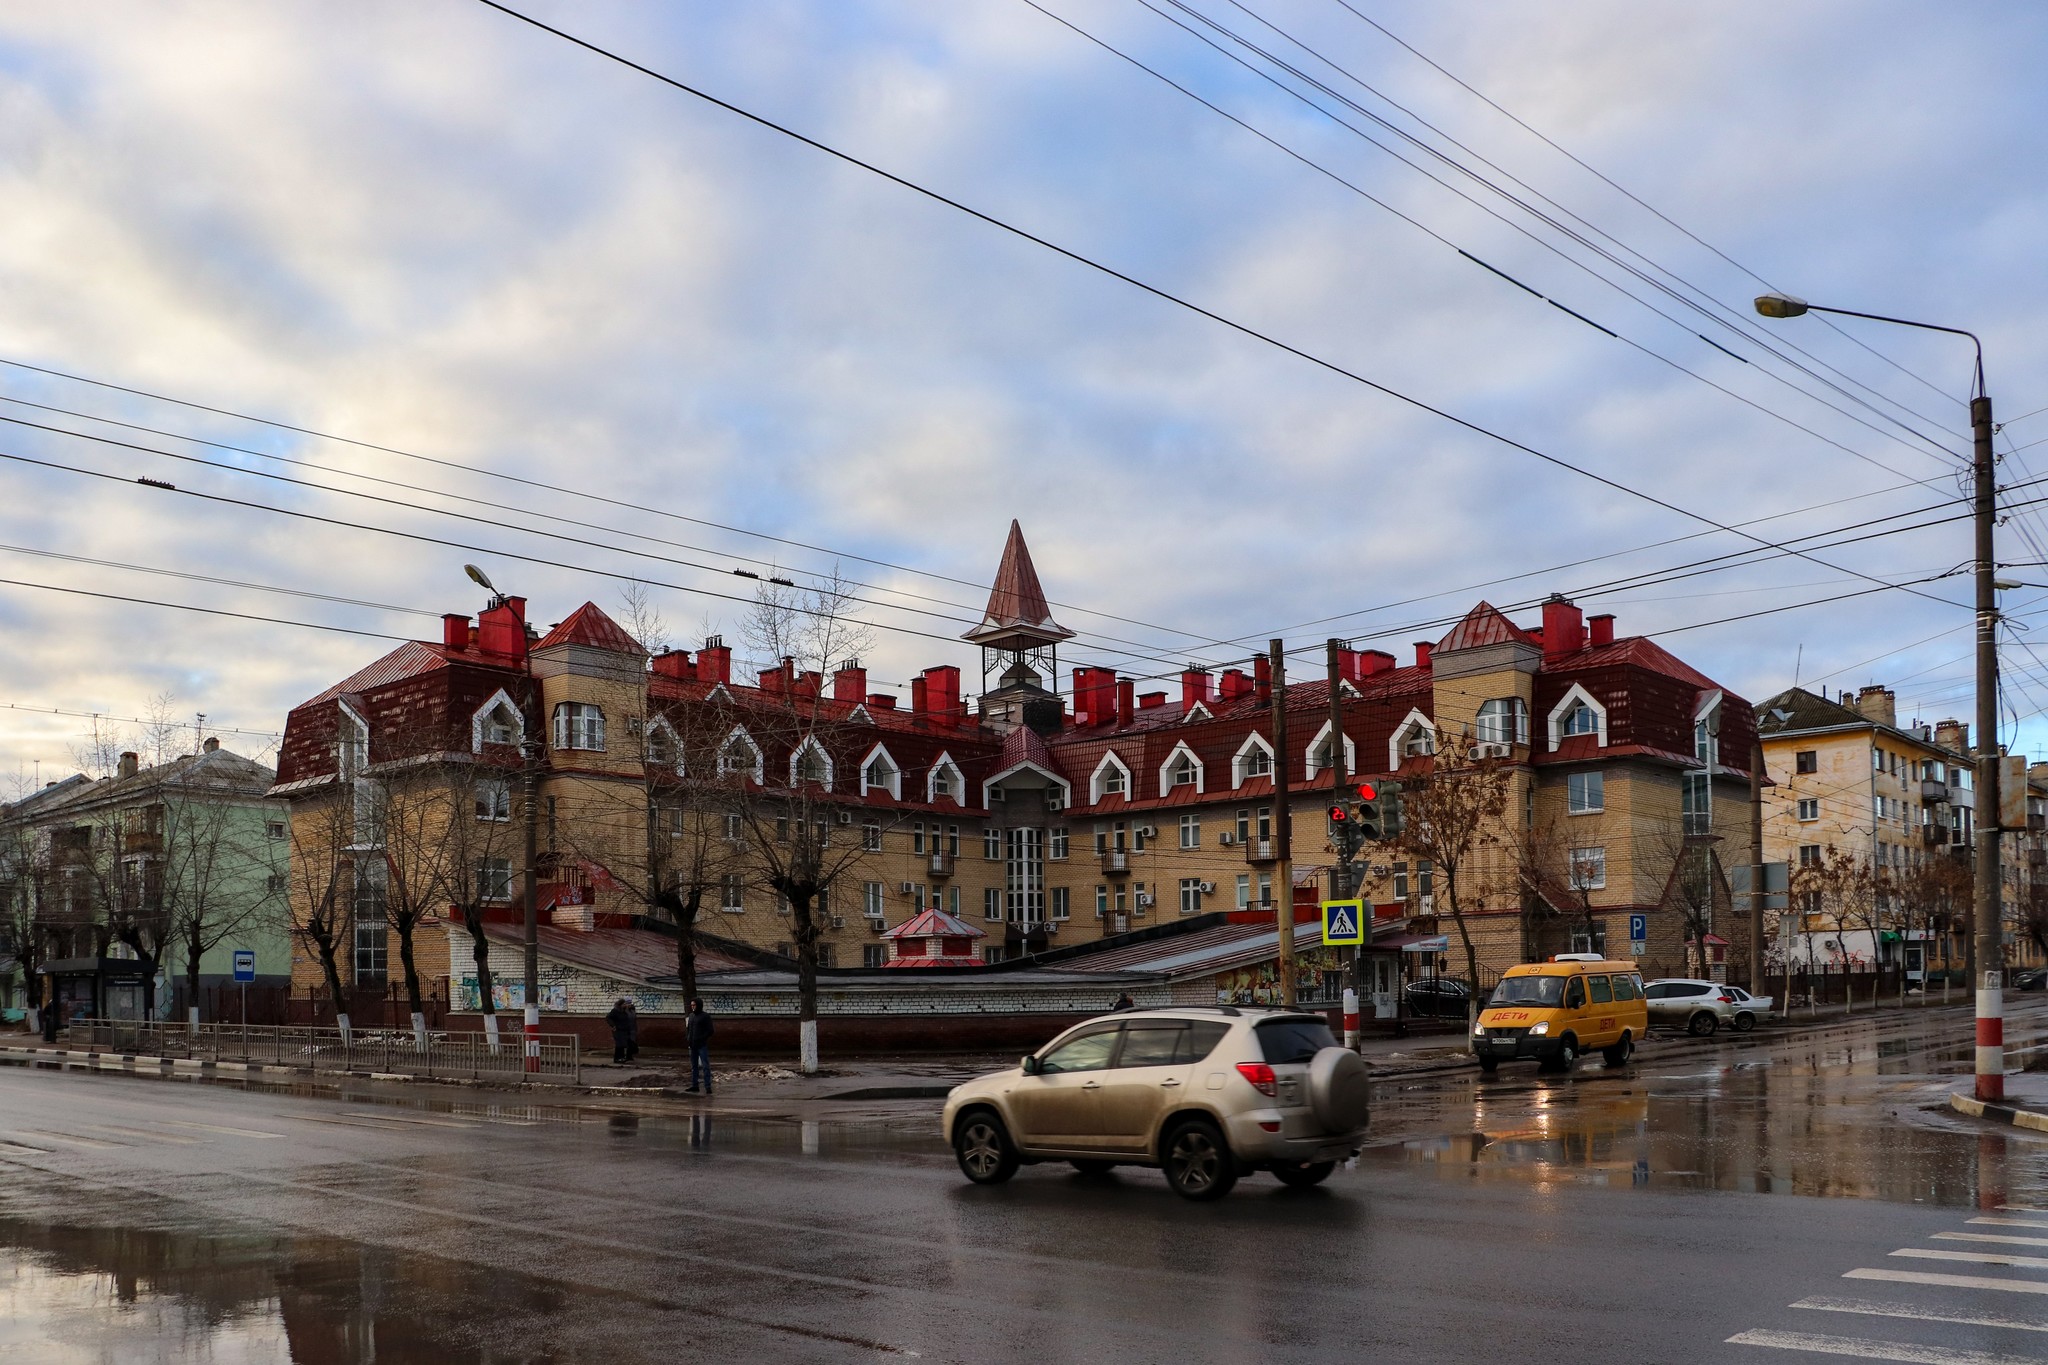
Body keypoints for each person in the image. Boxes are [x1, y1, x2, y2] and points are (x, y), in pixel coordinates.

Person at [684, 998, 714, 1094]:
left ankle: (707, 1086)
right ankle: (694, 1085)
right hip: (692, 1045)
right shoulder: (691, 1016)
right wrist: (688, 1038)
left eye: (694, 1005)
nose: (692, 1007)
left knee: (705, 1066)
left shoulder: (705, 1016)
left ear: (699, 1005)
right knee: (694, 1066)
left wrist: (702, 1038)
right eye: (691, 1005)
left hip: (701, 1045)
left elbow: (710, 1031)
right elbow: (689, 1029)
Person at [605, 999, 633, 1065]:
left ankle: (622, 1057)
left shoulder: (624, 1011)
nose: (625, 1005)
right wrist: (613, 1025)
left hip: (624, 1030)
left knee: (623, 1044)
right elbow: (608, 1018)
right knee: (619, 1044)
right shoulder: (615, 1011)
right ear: (620, 1005)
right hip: (618, 1030)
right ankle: (617, 1058)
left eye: (625, 1004)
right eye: (624, 1004)